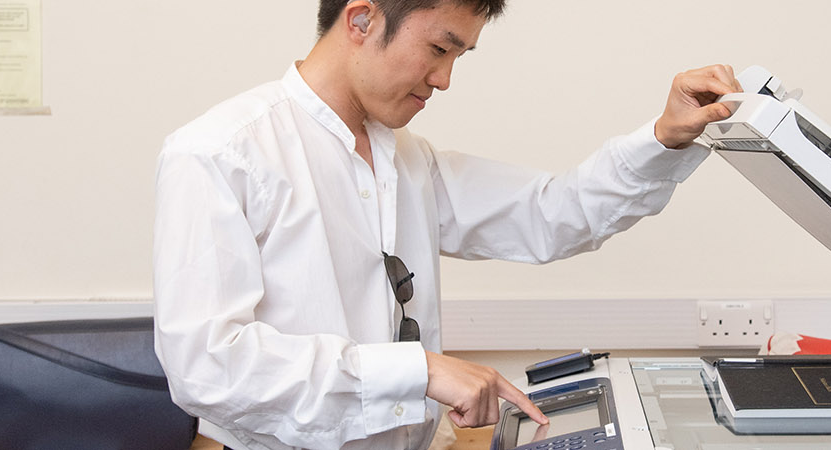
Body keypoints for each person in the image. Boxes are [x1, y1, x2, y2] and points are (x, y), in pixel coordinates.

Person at [152, 0, 741, 448]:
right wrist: (420, 370)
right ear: (361, 20)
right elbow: (208, 366)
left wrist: (665, 137)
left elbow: (553, 213)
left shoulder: (408, 158)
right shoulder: (220, 153)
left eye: (458, 57)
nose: (445, 80)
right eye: (440, 48)